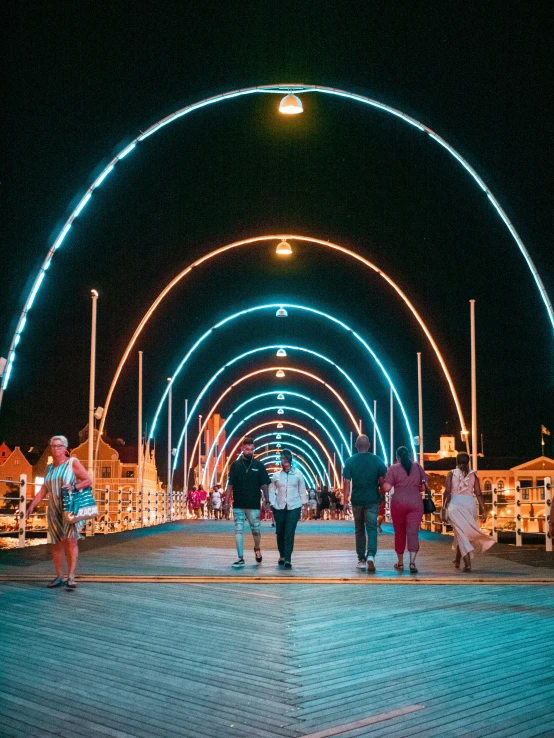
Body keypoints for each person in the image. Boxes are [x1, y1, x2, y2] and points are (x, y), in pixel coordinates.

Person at [25, 435, 92, 590]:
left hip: (70, 507)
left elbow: (88, 480)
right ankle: (58, 576)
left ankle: (71, 576)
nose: (56, 448)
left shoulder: (72, 463)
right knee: (56, 543)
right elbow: (44, 489)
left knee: (70, 541)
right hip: (54, 509)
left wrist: (74, 487)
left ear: (65, 448)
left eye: (59, 446)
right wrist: (32, 505)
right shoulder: (49, 467)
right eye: (53, 445)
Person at [441, 453, 494, 572]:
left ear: (456, 461)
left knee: (461, 533)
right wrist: (483, 510)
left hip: (456, 504)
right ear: (468, 462)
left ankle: (467, 563)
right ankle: (458, 560)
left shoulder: (451, 473)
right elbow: (479, 493)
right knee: (461, 533)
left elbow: (448, 491)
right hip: (470, 504)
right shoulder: (473, 475)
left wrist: (444, 506)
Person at [343, 435, 387, 572]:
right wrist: (383, 496)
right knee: (372, 528)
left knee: (359, 529)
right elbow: (382, 481)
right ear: (369, 445)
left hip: (357, 500)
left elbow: (346, 482)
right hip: (372, 500)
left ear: (356, 446)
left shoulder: (350, 461)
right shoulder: (378, 460)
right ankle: (371, 556)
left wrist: (345, 501)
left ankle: (361, 559)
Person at [226, 437, 271, 567]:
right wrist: (227, 502)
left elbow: (264, 485)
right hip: (239, 504)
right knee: (238, 530)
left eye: (251, 449)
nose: (249, 452)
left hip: (253, 504)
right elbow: (230, 485)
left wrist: (267, 500)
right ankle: (240, 557)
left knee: (256, 530)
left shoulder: (259, 465)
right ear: (242, 449)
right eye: (247, 449)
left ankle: (257, 548)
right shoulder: (235, 465)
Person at [382, 446, 426, 574]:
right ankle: (412, 562)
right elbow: (423, 487)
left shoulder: (393, 468)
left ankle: (400, 562)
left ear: (397, 457)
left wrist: (382, 481)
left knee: (400, 532)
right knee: (413, 532)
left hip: (398, 503)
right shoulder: (417, 467)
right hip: (415, 503)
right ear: (410, 455)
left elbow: (387, 488)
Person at [269, 449, 306, 569]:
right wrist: (272, 503)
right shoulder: (276, 475)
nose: (283, 460)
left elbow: (302, 490)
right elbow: (271, 490)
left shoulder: (298, 474)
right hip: (279, 507)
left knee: (289, 532)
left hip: (294, 506)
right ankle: (282, 555)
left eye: (285, 458)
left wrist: (304, 506)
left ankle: (288, 558)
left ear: (290, 459)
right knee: (280, 532)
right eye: (282, 458)